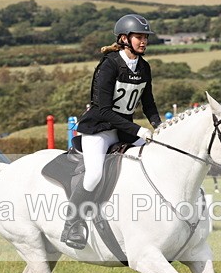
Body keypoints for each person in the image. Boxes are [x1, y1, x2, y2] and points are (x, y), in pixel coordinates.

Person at [61, 14, 162, 249]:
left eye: (145, 37)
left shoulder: (144, 67)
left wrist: (160, 127)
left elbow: (148, 104)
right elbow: (105, 111)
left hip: (125, 130)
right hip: (100, 129)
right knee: (94, 174)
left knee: (154, 160)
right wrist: (138, 130)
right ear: (124, 38)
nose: (144, 42)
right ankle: (72, 224)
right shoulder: (108, 66)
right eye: (139, 37)